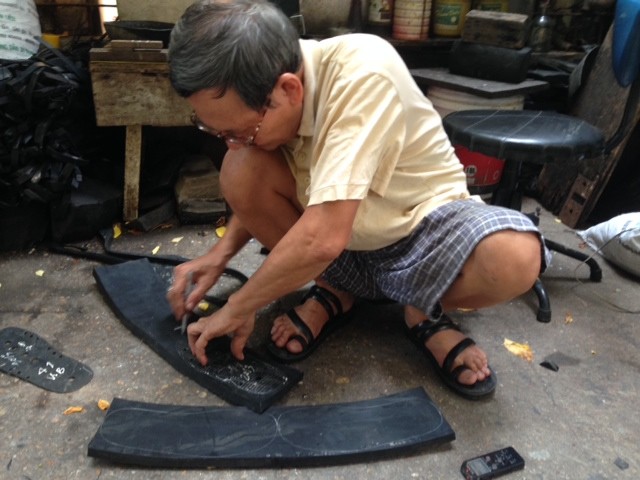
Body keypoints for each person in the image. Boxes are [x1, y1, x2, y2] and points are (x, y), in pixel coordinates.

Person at [166, 0, 551, 400]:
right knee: (240, 168)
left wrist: (237, 307)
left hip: (420, 232)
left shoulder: (363, 74)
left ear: (288, 89)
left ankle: (423, 309)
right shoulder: (274, 92)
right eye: (221, 131)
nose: (234, 140)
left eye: (242, 131)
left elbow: (322, 239)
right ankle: (335, 289)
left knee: (515, 258)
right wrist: (222, 253)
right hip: (344, 246)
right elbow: (312, 224)